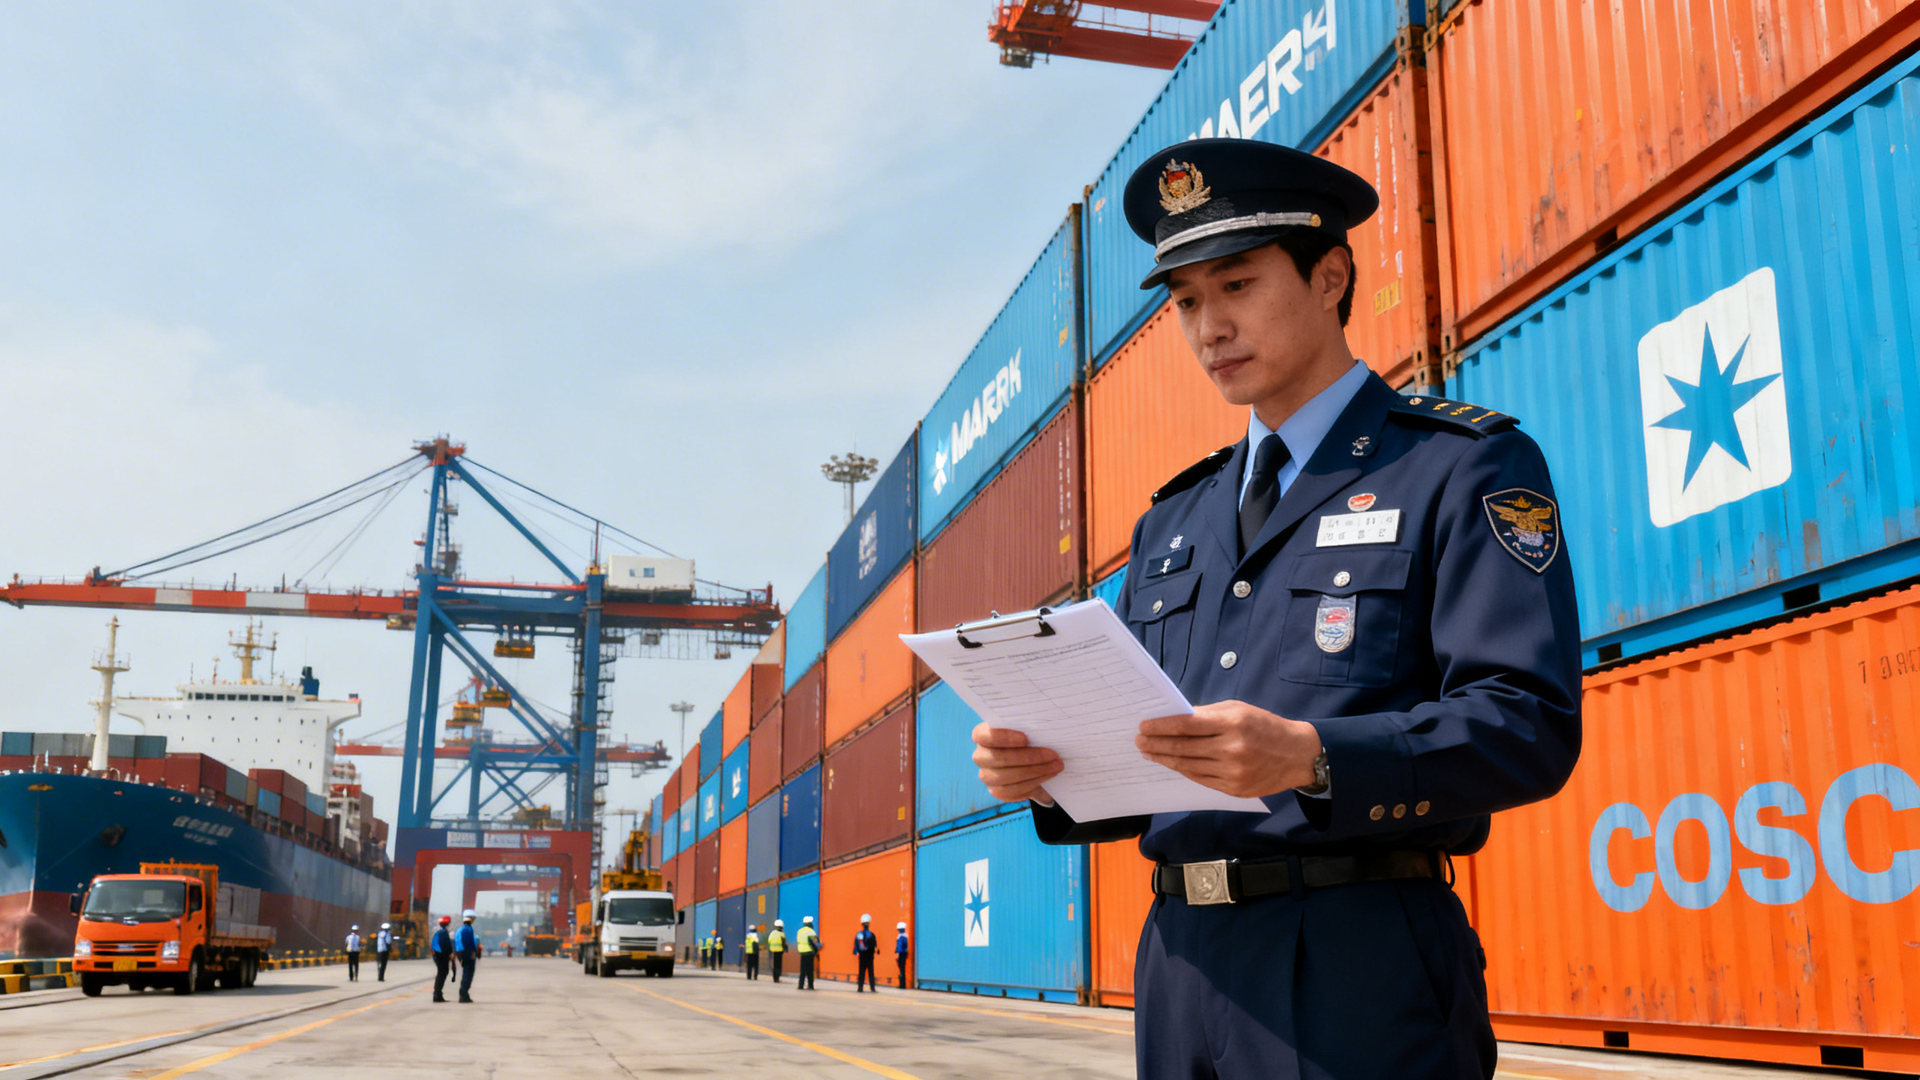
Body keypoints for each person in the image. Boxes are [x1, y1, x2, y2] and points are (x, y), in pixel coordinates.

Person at [969, 139, 1582, 1079]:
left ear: (1330, 275)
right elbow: (1141, 753)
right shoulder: (1173, 519)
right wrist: (1048, 772)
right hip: (1178, 964)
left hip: (1356, 963)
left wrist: (1315, 757)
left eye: (1238, 285)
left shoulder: (1460, 467)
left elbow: (1527, 725)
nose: (1209, 326)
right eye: (1186, 303)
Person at [455, 909, 480, 1004]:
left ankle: (463, 993)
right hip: (468, 953)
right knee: (468, 974)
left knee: (466, 973)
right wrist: (473, 953)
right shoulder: (468, 929)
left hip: (461, 953)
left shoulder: (459, 929)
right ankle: (464, 995)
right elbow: (468, 943)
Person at [430, 915, 454, 1003]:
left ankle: (438, 994)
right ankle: (437, 995)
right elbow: (446, 945)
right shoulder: (443, 932)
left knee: (441, 974)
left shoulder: (438, 931)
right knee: (442, 973)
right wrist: (450, 954)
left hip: (437, 955)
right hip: (441, 956)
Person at [853, 914, 877, 993]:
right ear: (869, 924)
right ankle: (872, 988)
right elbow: (874, 946)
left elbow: (856, 945)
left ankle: (860, 988)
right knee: (871, 971)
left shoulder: (858, 934)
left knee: (861, 971)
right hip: (869, 955)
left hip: (862, 955)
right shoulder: (871, 934)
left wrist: (857, 952)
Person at [794, 916, 818, 991]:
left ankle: (800, 985)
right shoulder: (811, 932)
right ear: (810, 923)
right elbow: (815, 943)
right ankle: (810, 985)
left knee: (802, 970)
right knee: (810, 970)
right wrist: (816, 951)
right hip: (809, 952)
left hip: (802, 952)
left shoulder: (799, 931)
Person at [894, 921, 910, 989]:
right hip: (905, 953)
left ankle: (902, 984)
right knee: (902, 968)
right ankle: (902, 984)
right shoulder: (906, 936)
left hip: (901, 953)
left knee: (901, 968)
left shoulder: (900, 937)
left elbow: (899, 946)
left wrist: (897, 953)